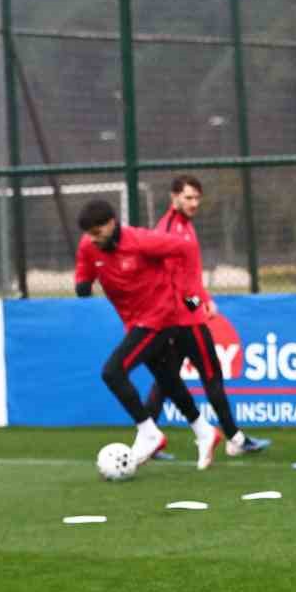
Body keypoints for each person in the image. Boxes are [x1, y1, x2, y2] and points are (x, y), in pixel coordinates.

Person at [73, 199, 213, 468]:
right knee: (168, 379)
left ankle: (149, 433)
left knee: (112, 372)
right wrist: (83, 282)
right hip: (134, 322)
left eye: (97, 232)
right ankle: (203, 430)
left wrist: (188, 291)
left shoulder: (141, 241)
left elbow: (187, 249)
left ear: (112, 223)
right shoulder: (89, 244)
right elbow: (85, 265)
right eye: (89, 234)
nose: (93, 239)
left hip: (160, 317)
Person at [142, 174, 269, 464]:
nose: (194, 203)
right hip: (185, 320)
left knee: (166, 380)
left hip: (181, 317)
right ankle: (235, 439)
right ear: (174, 197)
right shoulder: (169, 230)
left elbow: (189, 276)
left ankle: (148, 440)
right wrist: (198, 305)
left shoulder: (184, 225)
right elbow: (174, 285)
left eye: (197, 198)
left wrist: (204, 298)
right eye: (188, 198)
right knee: (211, 375)